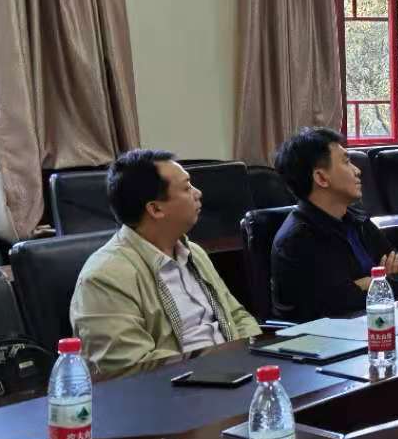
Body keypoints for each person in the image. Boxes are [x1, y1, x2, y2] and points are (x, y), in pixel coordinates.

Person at [71, 150, 260, 379]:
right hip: (176, 389)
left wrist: (256, 353)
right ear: (155, 209)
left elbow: (237, 316)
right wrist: (217, 361)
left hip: (233, 373)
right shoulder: (104, 277)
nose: (198, 193)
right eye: (187, 188)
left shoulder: (194, 252)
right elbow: (127, 366)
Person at [270, 127, 398, 322]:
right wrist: (383, 281)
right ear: (321, 178)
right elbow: (341, 305)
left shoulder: (357, 220)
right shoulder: (298, 239)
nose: (357, 170)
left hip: (374, 325)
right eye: (346, 162)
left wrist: (369, 283)